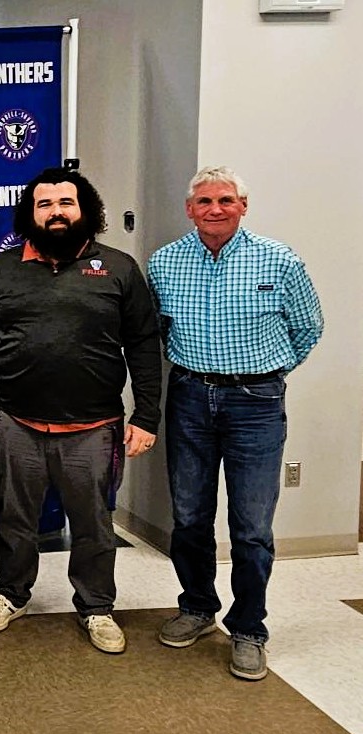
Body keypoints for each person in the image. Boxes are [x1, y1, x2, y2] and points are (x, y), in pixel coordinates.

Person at [0, 166, 161, 654]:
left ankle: (96, 606)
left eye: (65, 203)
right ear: (30, 214)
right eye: (44, 205)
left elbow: (142, 343)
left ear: (85, 210)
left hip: (93, 425)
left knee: (93, 523)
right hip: (15, 420)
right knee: (13, 519)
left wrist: (147, 416)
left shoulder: (118, 268)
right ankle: (11, 594)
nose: (55, 213)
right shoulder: (2, 269)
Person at [147, 166, 323, 680]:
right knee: (190, 516)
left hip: (257, 402)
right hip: (189, 398)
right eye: (204, 201)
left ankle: (249, 628)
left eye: (226, 199)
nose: (215, 209)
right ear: (190, 210)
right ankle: (198, 608)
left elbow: (308, 327)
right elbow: (156, 330)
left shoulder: (279, 259)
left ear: (243, 205)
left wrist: (265, 375)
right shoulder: (165, 263)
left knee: (250, 528)